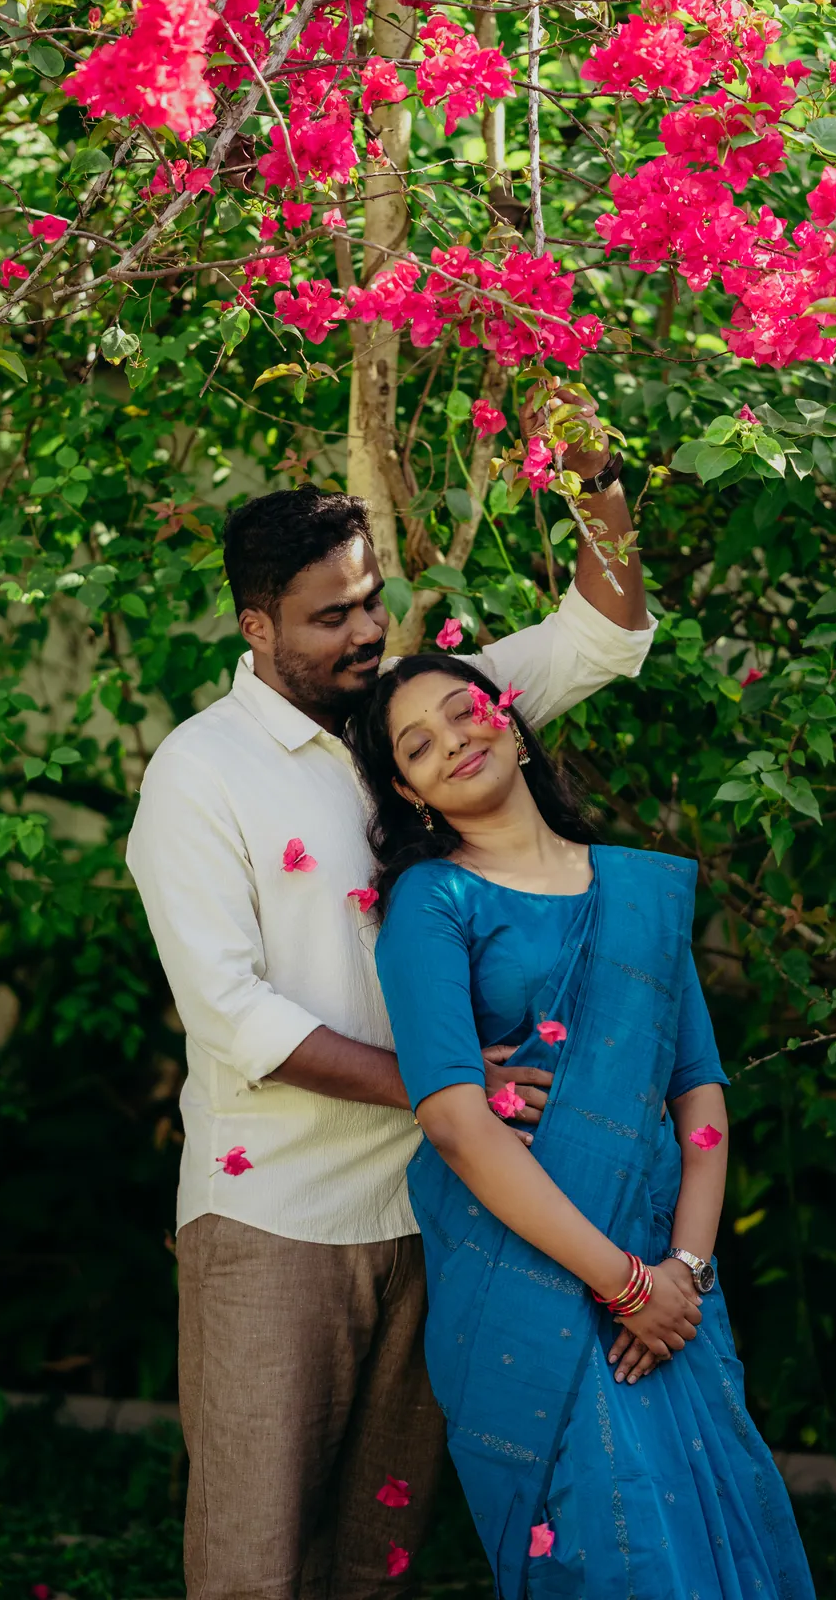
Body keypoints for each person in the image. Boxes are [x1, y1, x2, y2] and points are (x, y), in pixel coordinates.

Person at [126, 427, 655, 1599]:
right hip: (275, 1216)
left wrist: (600, 492)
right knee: (254, 1564)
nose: (365, 632)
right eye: (330, 617)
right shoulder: (200, 774)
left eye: (370, 601)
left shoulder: (419, 718)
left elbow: (601, 638)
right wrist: (446, 1086)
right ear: (256, 626)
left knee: (383, 1561)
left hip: (433, 1209)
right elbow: (231, 1016)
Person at [353, 655, 816, 1600]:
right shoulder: (434, 902)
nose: (455, 743)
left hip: (667, 1281)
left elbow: (701, 1095)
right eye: (419, 746)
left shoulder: (634, 893)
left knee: (712, 1537)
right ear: (411, 791)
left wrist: (683, 1272)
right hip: (530, 1276)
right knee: (611, 1548)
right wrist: (626, 1286)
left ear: (511, 722)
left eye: (463, 713)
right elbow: (453, 1120)